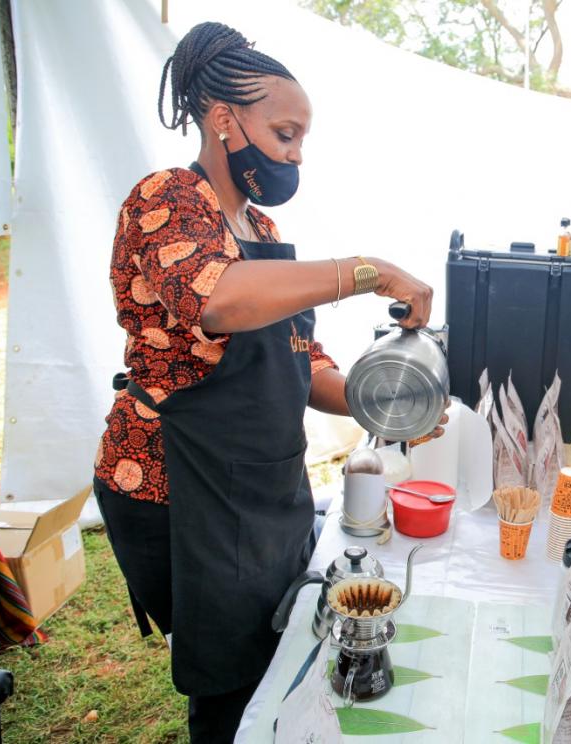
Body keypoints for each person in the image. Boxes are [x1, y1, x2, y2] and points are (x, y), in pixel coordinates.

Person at [92, 22, 435, 742]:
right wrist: (364, 270)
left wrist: (388, 401)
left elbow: (300, 360)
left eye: (301, 139)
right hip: (176, 485)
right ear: (224, 121)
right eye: (285, 134)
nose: (294, 154)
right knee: (228, 673)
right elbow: (215, 297)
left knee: (275, 645)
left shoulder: (268, 234)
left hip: (259, 481)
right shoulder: (168, 199)